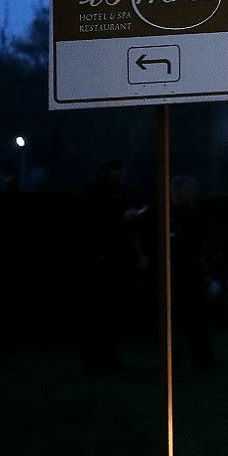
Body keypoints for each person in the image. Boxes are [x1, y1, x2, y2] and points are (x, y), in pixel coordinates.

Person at [82, 159, 148, 374]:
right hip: (102, 259)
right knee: (100, 311)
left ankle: (110, 359)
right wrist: (120, 218)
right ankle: (95, 360)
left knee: (113, 312)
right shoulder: (97, 193)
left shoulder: (122, 193)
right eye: (115, 172)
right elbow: (95, 222)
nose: (119, 176)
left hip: (119, 258)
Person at [168, 176, 216, 367]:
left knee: (197, 312)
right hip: (178, 268)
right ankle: (176, 354)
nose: (192, 194)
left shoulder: (194, 210)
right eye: (189, 190)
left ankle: (201, 355)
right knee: (179, 312)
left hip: (192, 267)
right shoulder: (171, 212)